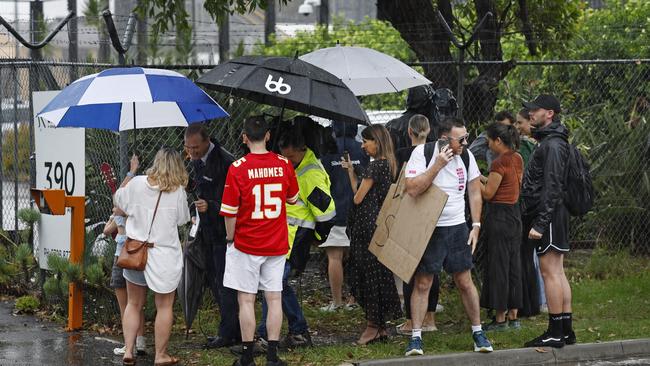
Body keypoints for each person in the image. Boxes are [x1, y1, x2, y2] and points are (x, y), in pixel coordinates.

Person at [404, 117, 493, 356]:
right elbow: (411, 188)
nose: (466, 142)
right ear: (445, 138)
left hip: (457, 227)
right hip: (429, 227)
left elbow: (475, 191)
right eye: (461, 138)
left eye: (466, 137)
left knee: (464, 280)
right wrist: (437, 166)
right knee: (423, 282)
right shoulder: (422, 154)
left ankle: (478, 332)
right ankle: (415, 337)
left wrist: (475, 224)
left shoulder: (466, 156)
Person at [221, 116, 300, 366]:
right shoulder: (284, 164)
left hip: (246, 242)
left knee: (246, 299)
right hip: (276, 242)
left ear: (244, 138)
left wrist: (230, 238)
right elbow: (293, 199)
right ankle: (273, 357)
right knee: (273, 297)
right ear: (268, 135)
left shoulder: (237, 168)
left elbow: (230, 212)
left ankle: (247, 357)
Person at [254, 126, 336, 348]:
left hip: (295, 239)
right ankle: (297, 332)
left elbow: (326, 213)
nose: (287, 161)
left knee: (273, 284)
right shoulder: (297, 168)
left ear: (302, 149)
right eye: (284, 157)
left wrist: (318, 236)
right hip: (284, 237)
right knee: (276, 284)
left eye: (291, 157)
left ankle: (264, 337)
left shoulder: (310, 173)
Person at [115, 148, 191, 366]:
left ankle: (128, 350)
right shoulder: (177, 191)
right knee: (164, 306)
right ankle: (160, 355)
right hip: (164, 255)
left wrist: (131, 173)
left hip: (135, 252)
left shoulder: (138, 183)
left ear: (156, 162)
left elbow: (119, 200)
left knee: (133, 303)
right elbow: (182, 220)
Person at [520, 94, 576, 348]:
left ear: (550, 113)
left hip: (549, 215)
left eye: (536, 110)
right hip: (554, 213)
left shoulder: (552, 145)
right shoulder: (553, 141)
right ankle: (565, 330)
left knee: (550, 272)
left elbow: (553, 186)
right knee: (558, 271)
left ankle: (555, 333)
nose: (531, 114)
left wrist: (540, 223)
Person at [342, 124, 403, 346]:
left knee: (365, 275)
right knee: (376, 274)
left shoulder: (375, 166)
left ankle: (372, 326)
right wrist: (351, 172)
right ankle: (380, 326)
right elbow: (360, 191)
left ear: (377, 142)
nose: (362, 145)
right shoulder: (387, 164)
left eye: (366, 141)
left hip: (366, 227)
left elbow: (357, 198)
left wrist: (357, 178)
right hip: (376, 225)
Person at [183, 124, 240, 349]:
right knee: (214, 280)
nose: (192, 153)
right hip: (205, 229)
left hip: (223, 231)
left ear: (207, 141)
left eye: (196, 148)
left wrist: (212, 206)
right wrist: (190, 187)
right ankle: (230, 328)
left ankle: (229, 333)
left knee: (225, 282)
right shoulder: (196, 160)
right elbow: (200, 187)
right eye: (188, 148)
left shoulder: (226, 162)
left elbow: (235, 199)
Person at [394, 114, 439, 335]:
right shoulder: (435, 154)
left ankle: (412, 321)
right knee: (432, 268)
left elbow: (398, 186)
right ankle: (430, 317)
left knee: (410, 267)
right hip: (432, 214)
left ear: (409, 132)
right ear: (429, 131)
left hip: (410, 213)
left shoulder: (404, 154)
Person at [479, 123, 524, 331]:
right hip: (514, 215)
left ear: (498, 141)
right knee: (513, 264)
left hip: (499, 217)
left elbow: (488, 194)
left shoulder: (498, 163)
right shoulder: (517, 158)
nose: (487, 143)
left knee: (499, 266)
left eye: (489, 139)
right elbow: (507, 185)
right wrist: (483, 178)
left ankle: (499, 319)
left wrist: (473, 179)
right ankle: (514, 316)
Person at [319, 121, 369, 312]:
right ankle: (354, 299)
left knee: (334, 257)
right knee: (358, 257)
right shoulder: (361, 148)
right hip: (358, 208)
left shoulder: (328, 149)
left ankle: (337, 301)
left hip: (335, 210)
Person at [105, 155, 146, 356]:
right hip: (138, 250)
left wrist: (131, 171)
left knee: (127, 303)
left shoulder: (126, 205)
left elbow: (118, 197)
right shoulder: (142, 204)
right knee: (138, 301)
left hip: (123, 253)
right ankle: (141, 341)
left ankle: (129, 344)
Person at [514, 108, 544, 317]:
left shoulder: (527, 148)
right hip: (533, 205)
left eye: (519, 123)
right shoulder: (535, 145)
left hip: (528, 206)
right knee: (530, 257)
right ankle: (535, 302)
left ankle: (533, 303)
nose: (517, 127)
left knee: (528, 257)